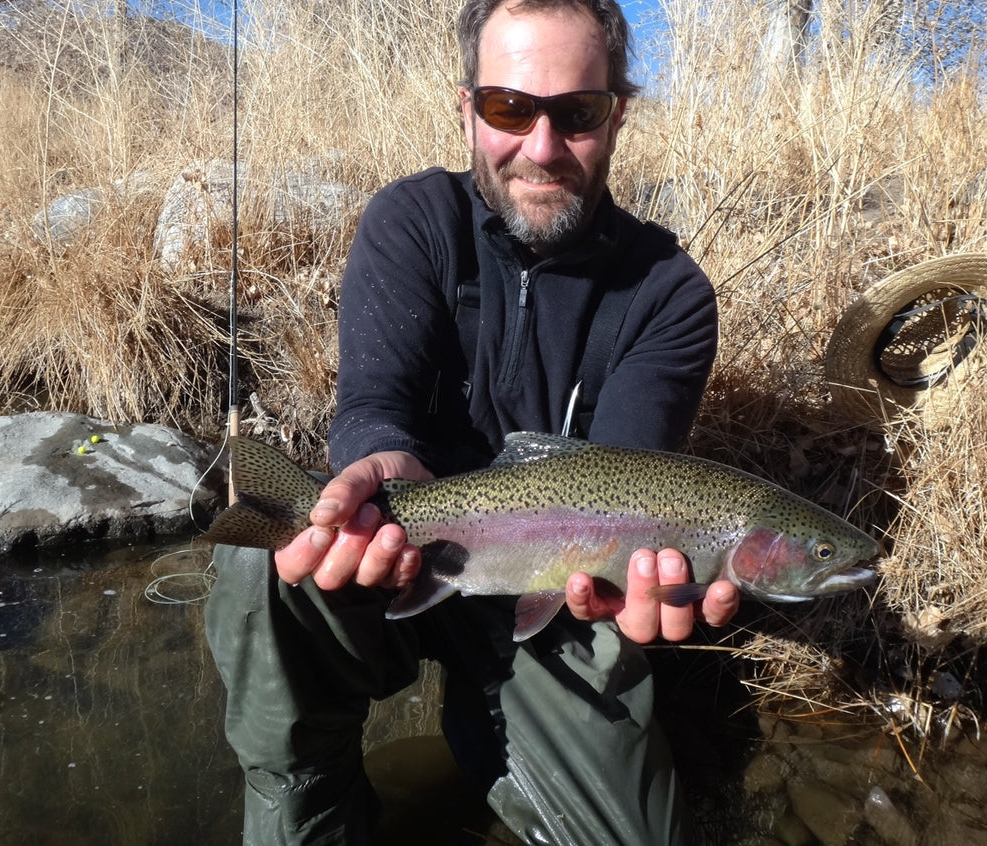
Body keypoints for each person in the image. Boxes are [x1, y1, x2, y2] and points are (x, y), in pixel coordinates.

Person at [206, 1, 740, 844]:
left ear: (617, 117)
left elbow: (633, 485)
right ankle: (306, 804)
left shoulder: (668, 290)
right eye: (508, 108)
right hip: (404, 544)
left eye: (578, 113)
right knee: (272, 564)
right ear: (467, 110)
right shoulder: (412, 223)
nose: (541, 145)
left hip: (553, 593)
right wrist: (380, 476)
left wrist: (621, 592)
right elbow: (374, 405)